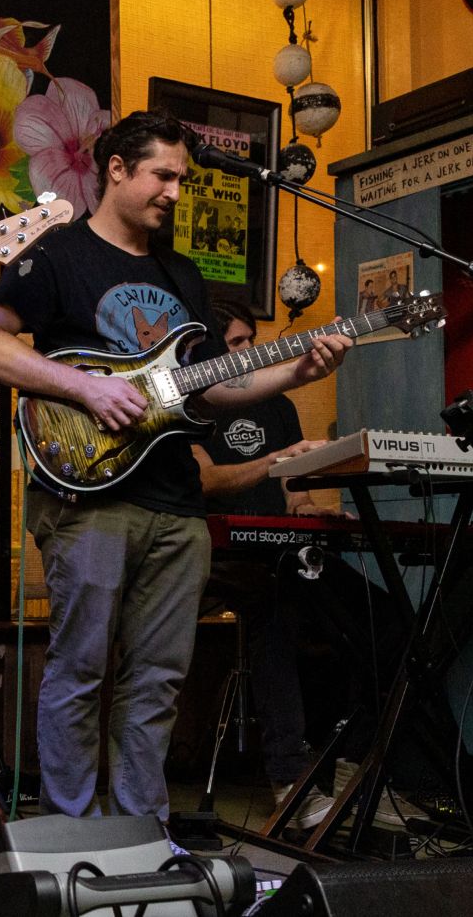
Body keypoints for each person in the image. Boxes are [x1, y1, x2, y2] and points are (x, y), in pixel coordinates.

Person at [0, 110, 351, 830]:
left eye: (183, 179)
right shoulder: (57, 254)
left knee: (157, 682)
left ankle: (143, 830)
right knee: (79, 673)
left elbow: (205, 388)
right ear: (116, 169)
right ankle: (70, 833)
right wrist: (86, 386)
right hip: (89, 494)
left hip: (176, 503)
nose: (175, 192)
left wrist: (299, 368)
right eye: (162, 175)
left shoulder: (184, 275)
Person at [191, 300, 336, 828]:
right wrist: (271, 463)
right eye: (236, 344)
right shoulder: (195, 404)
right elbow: (202, 480)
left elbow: (294, 487)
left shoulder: (279, 405)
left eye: (252, 340)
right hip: (219, 553)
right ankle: (290, 779)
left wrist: (302, 506)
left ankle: (352, 760)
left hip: (278, 547)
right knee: (274, 610)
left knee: (358, 608)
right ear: (208, 351)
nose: (249, 352)